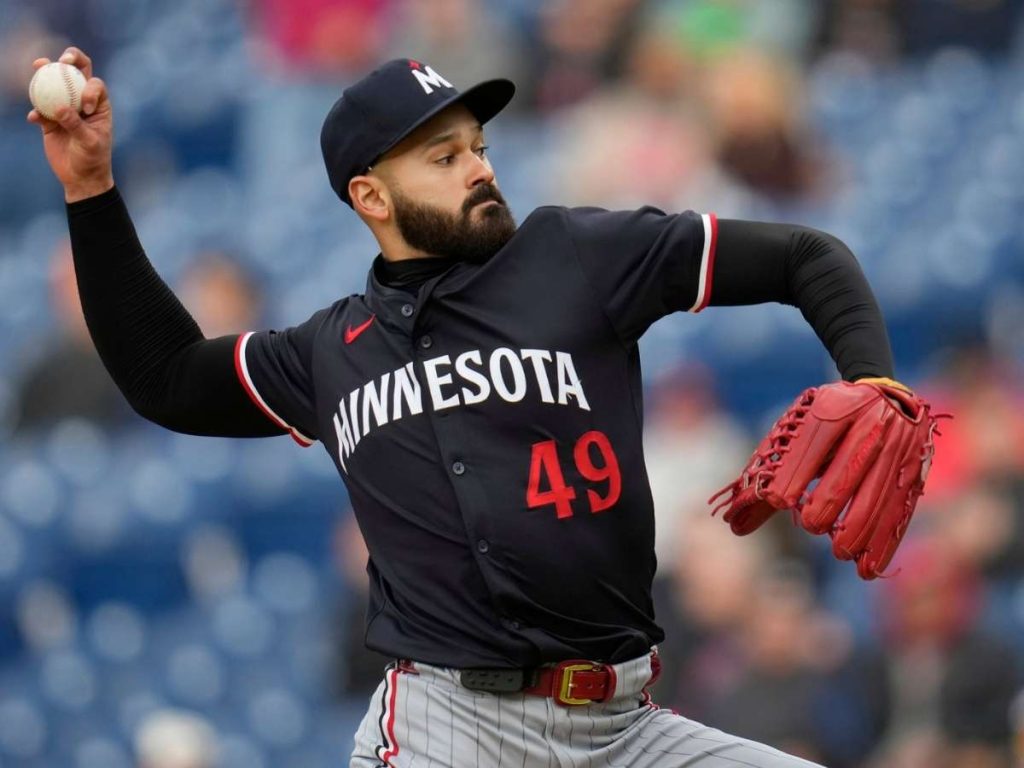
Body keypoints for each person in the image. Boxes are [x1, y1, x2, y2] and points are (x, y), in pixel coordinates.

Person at [31, 45, 906, 767]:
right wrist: (91, 189)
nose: (480, 168)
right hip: (449, 733)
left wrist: (871, 378)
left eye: (478, 145)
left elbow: (806, 255)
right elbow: (168, 376)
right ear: (371, 196)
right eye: (444, 158)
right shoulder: (329, 353)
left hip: (629, 725)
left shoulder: (578, 256)